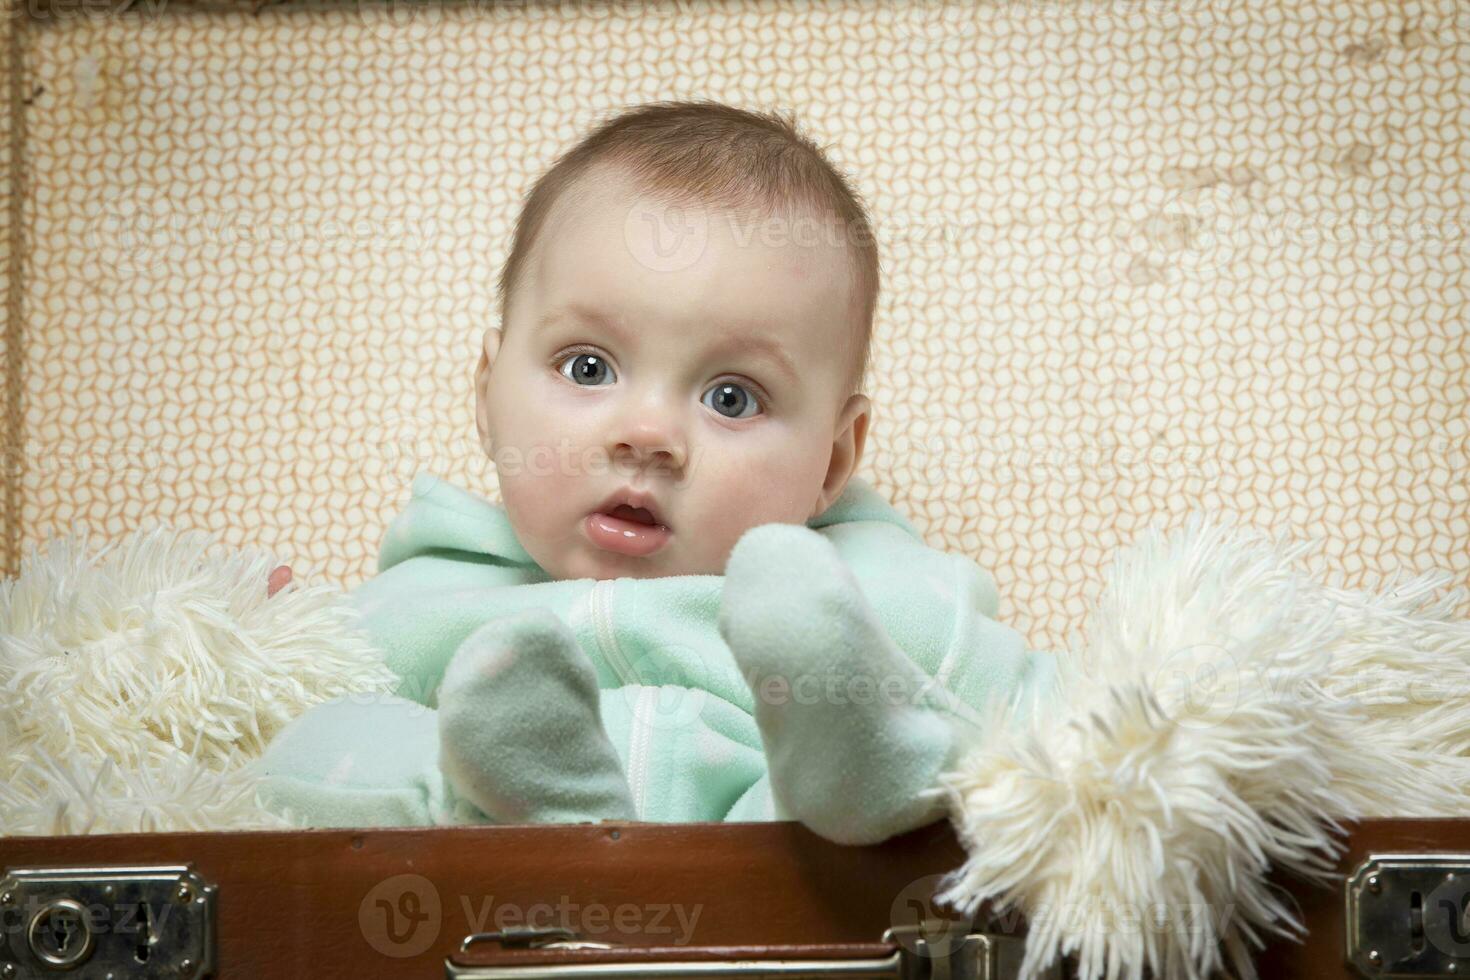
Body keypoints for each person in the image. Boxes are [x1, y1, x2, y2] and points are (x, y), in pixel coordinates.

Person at [257, 100, 1057, 845]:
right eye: (589, 367)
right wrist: (254, 648)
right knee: (323, 742)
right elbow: (274, 740)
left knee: (940, 749)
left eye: (732, 397)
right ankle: (528, 808)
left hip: (786, 868)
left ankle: (855, 768)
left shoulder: (854, 597)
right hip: (495, 872)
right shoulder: (427, 597)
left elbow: (1047, 711)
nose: (648, 436)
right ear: (488, 393)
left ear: (833, 461)